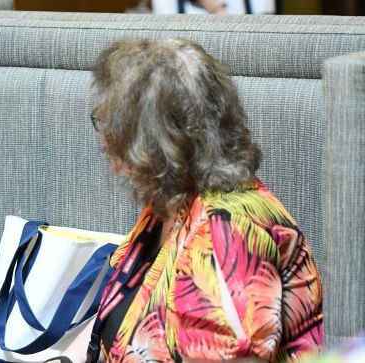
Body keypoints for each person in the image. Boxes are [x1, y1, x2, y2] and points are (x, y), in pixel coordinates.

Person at [86, 38, 323, 362]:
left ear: (155, 143)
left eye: (113, 123)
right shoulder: (168, 205)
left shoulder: (229, 233)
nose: (103, 140)